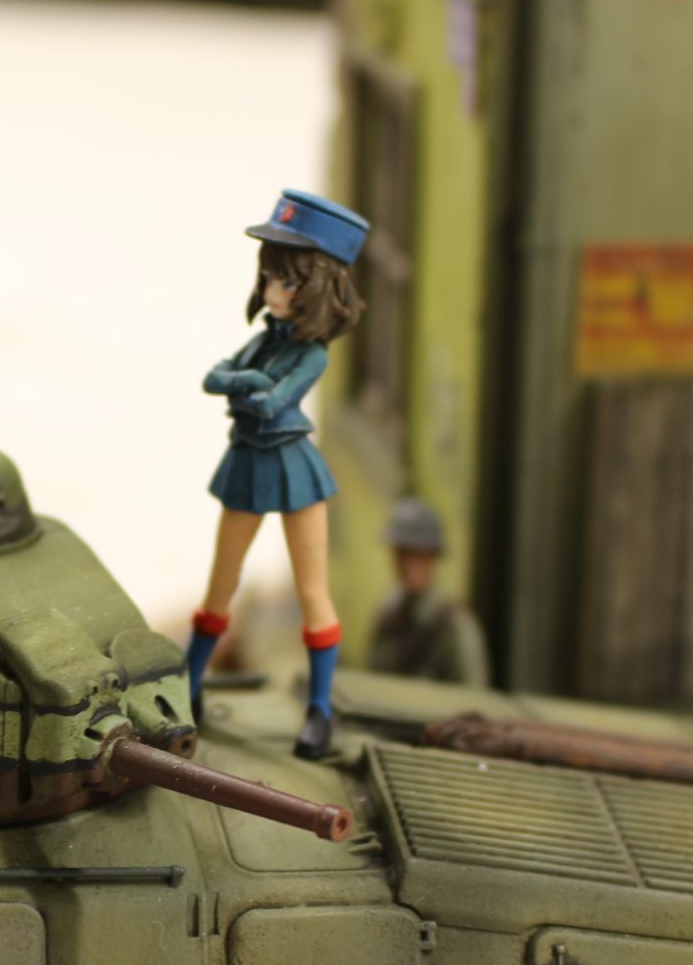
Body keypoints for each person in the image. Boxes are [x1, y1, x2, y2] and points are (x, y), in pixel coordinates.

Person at [184, 189, 369, 761]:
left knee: (312, 591)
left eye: (287, 282)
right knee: (221, 583)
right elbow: (214, 378)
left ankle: (319, 709)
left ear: (318, 287)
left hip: (294, 470)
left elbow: (273, 402)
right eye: (269, 278)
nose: (272, 292)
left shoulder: (312, 355)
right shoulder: (265, 339)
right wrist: (250, 383)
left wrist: (246, 386)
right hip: (246, 463)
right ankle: (189, 684)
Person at [366, 498, 490, 687]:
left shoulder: (455, 626)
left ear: (432, 556)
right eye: (402, 553)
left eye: (417, 554)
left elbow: (473, 691)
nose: (408, 564)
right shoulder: (390, 613)